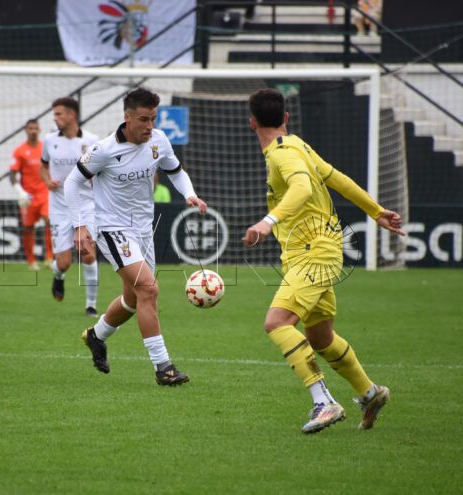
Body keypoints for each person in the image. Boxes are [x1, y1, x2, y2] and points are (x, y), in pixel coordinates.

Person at [241, 88, 404, 433]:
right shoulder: (298, 144)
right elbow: (337, 178)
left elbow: (301, 189)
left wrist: (267, 222)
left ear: (252, 122)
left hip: (314, 251)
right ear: (286, 118)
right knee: (320, 337)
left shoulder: (282, 155)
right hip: (318, 250)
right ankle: (370, 393)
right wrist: (375, 211)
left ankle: (324, 402)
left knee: (277, 323)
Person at [64, 87, 208, 386]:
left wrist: (189, 194)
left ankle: (96, 335)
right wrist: (79, 226)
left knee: (133, 298)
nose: (149, 125)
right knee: (148, 289)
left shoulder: (159, 140)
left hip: (144, 229)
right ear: (127, 117)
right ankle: (163, 367)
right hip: (112, 228)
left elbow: (175, 171)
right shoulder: (103, 150)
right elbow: (72, 182)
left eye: (153, 118)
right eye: (144, 119)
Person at [40, 97, 100, 317]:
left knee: (88, 255)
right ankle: (58, 276)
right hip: (59, 207)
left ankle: (91, 305)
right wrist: (47, 181)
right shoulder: (49, 140)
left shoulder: (92, 140)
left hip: (85, 205)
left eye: (59, 114)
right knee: (64, 263)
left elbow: (101, 169)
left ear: (72, 115)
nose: (55, 118)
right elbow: (43, 167)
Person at [10, 119, 52, 271]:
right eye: (30, 128)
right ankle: (31, 261)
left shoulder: (45, 148)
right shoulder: (19, 151)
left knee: (50, 221)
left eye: (35, 128)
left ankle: (49, 258)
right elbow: (12, 174)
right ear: (26, 130)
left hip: (45, 193)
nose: (33, 131)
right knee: (28, 228)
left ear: (39, 130)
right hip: (28, 196)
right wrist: (20, 192)